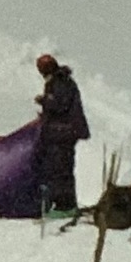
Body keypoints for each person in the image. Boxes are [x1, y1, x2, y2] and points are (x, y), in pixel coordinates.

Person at [34, 53, 89, 214]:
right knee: (60, 168)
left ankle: (65, 206)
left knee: (60, 169)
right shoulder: (61, 80)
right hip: (63, 132)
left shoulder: (59, 82)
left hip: (63, 133)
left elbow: (60, 104)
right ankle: (63, 204)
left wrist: (44, 101)